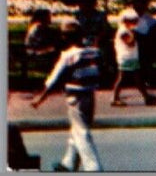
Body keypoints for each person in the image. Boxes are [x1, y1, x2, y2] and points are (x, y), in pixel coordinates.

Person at [32, 24, 104, 171]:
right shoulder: (93, 52)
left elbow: (54, 79)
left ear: (67, 37)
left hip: (75, 97)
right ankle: (68, 163)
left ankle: (94, 167)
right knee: (77, 129)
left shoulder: (68, 55)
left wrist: (40, 98)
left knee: (81, 132)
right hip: (90, 94)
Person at [111, 9, 156, 106]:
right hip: (125, 58)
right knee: (122, 78)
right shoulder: (123, 31)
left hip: (132, 57)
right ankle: (115, 98)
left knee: (138, 78)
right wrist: (134, 33)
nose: (136, 23)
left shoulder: (127, 30)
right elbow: (130, 43)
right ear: (126, 21)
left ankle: (147, 97)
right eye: (133, 21)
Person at [25, 9, 62, 78]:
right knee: (58, 50)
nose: (50, 18)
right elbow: (41, 42)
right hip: (34, 51)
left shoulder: (37, 26)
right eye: (49, 16)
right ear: (43, 17)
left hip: (35, 50)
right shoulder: (39, 27)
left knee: (57, 49)